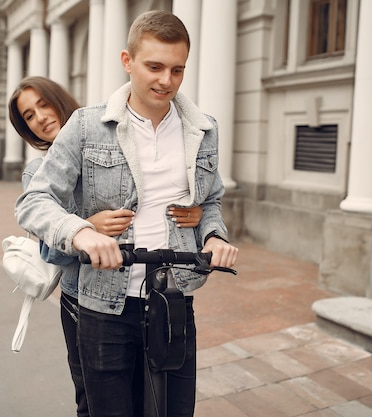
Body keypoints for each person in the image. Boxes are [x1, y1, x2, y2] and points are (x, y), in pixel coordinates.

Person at [15, 11, 238, 417]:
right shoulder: (86, 126)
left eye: (177, 69)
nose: (165, 80)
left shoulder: (205, 130)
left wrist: (214, 236)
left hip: (174, 296)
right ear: (127, 61)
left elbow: (212, 201)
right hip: (103, 304)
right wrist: (82, 232)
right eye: (154, 66)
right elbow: (33, 201)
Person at [8, 75, 204, 417]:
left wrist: (196, 207)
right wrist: (86, 228)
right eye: (28, 115)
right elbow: (49, 251)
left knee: (147, 392)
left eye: (43, 104)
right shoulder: (37, 171)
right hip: (81, 299)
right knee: (93, 398)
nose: (39, 116)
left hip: (141, 287)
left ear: (59, 99)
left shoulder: (110, 137)